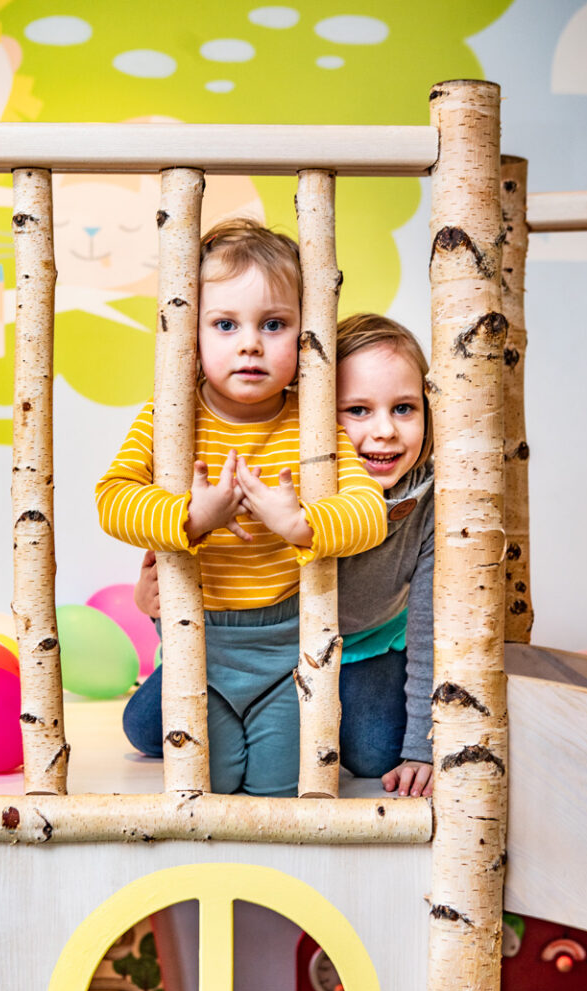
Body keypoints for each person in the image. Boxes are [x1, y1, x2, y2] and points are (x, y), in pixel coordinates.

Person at [96, 221, 387, 797]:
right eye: (226, 325)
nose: (250, 343)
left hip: (287, 643)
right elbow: (113, 497)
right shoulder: (170, 416)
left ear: (305, 336)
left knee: (278, 784)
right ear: (192, 334)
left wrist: (301, 525)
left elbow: (368, 511)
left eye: (273, 325)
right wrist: (190, 517)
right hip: (197, 639)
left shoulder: (313, 420)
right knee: (215, 781)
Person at [125, 312, 434, 798]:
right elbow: (213, 561)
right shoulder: (287, 467)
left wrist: (423, 743)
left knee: (376, 752)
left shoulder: (431, 501)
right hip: (265, 649)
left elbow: (429, 627)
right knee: (144, 730)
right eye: (356, 410)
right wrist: (148, 603)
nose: (384, 431)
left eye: (403, 408)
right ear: (314, 416)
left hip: (364, 644)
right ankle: (220, 694)